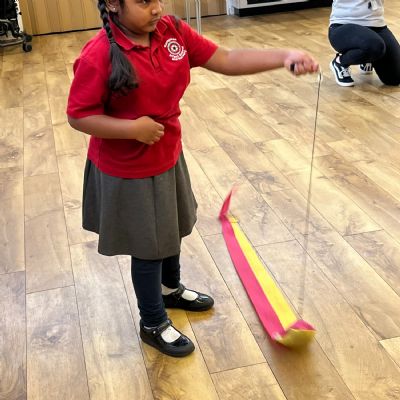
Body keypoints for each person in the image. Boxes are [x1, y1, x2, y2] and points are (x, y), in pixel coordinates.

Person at [67, 0, 318, 358]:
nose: (156, 8)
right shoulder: (98, 55)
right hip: (128, 171)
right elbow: (79, 115)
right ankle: (152, 322)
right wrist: (131, 129)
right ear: (113, 4)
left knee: (172, 228)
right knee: (148, 248)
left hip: (167, 154)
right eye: (143, 1)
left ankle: (170, 290)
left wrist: (284, 55)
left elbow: (226, 59)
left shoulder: (171, 31)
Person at [329, 0, 400, 87]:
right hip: (343, 24)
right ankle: (340, 62)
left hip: (377, 25)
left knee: (394, 78)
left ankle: (367, 59)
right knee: (374, 46)